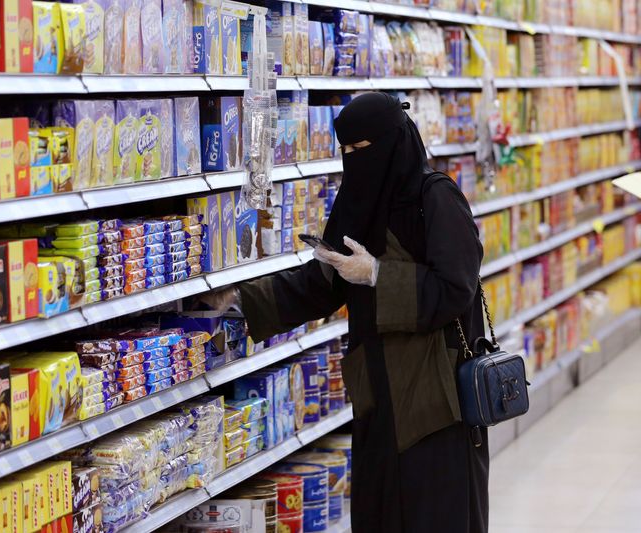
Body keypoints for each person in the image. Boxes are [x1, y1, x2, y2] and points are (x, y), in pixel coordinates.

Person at [203, 92, 488, 532]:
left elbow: (455, 289)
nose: (356, 160)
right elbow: (319, 285)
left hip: (434, 399)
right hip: (377, 395)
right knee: (380, 515)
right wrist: (238, 298)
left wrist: (375, 273)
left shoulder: (436, 199)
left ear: (396, 141)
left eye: (365, 149)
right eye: (347, 151)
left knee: (435, 514)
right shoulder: (356, 204)